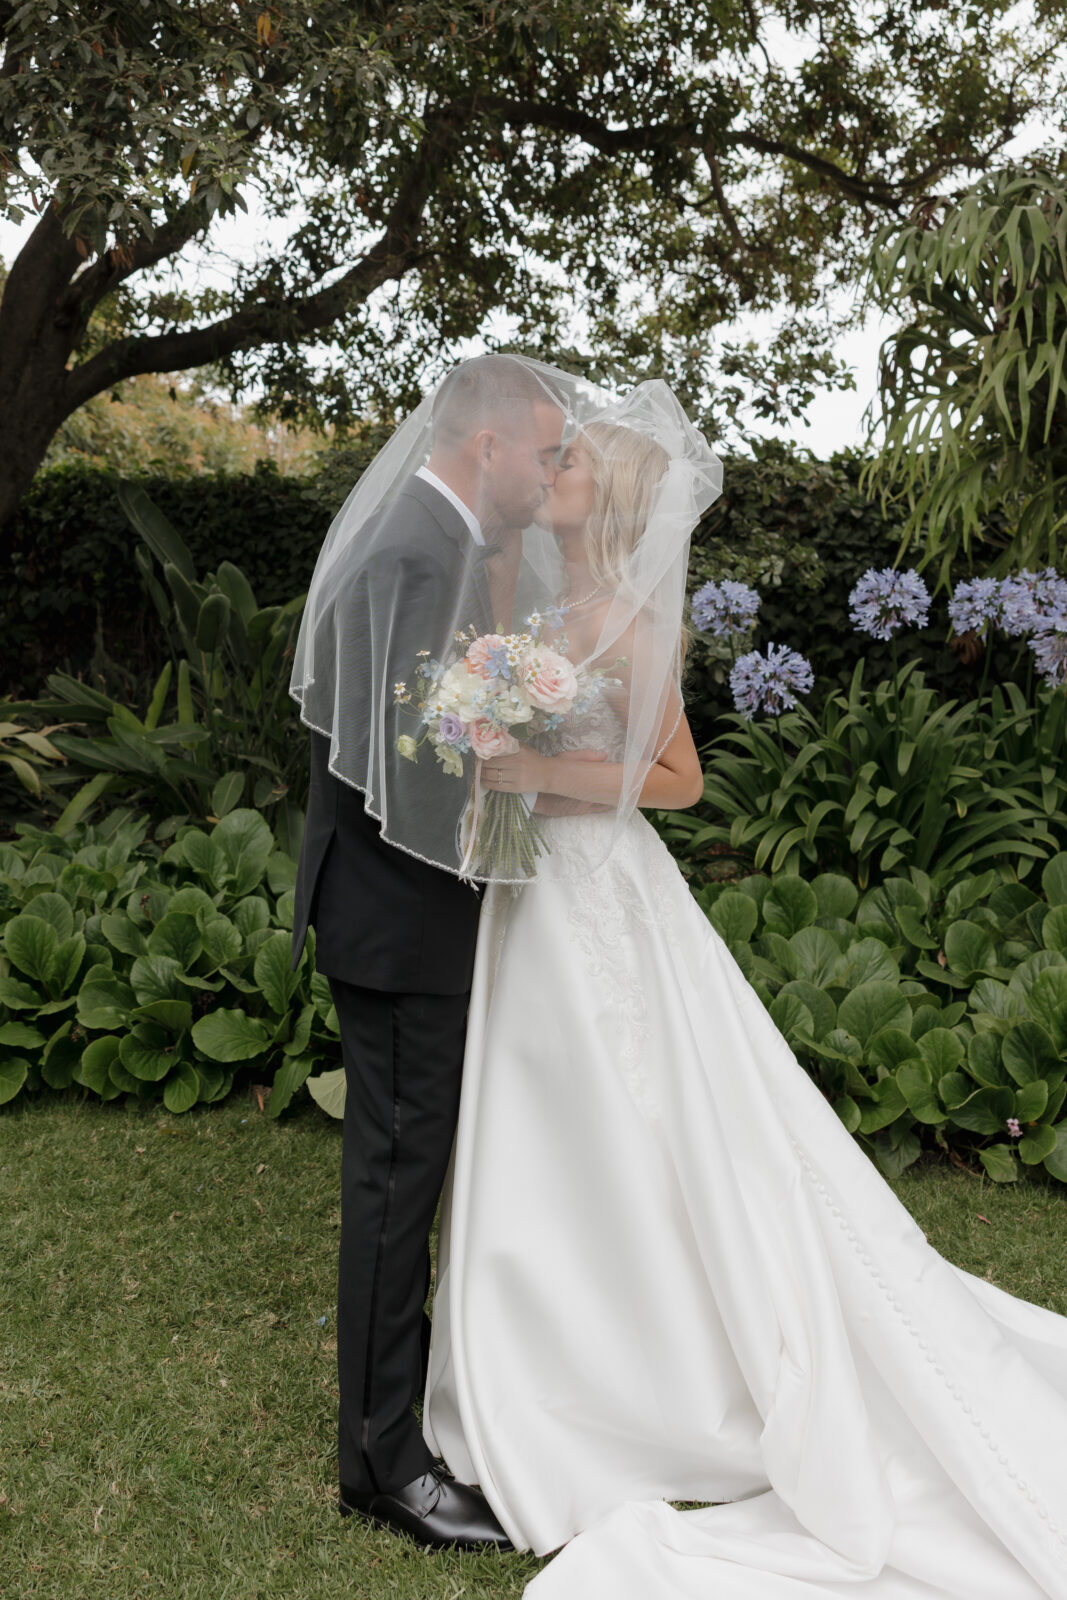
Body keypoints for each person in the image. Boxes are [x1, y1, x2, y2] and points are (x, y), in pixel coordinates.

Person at [420, 403, 1067, 1598]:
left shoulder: (623, 617)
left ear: (605, 500)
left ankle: (653, 1373)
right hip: (533, 905)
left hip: (606, 900)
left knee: (641, 1118)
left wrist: (534, 775)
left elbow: (675, 779)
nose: (553, 470)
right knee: (545, 1119)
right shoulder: (540, 617)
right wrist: (484, 763)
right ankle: (543, 1343)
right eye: (556, 459)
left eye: (572, 464)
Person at [289, 353, 566, 1549]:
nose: (550, 477)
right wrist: (524, 782)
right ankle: (383, 1464)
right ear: (488, 442)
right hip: (401, 922)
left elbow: (423, 734)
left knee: (404, 1178)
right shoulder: (417, 549)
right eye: (545, 452)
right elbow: (407, 763)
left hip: (404, 912)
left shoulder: (430, 539)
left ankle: (391, 1431)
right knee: (396, 1188)